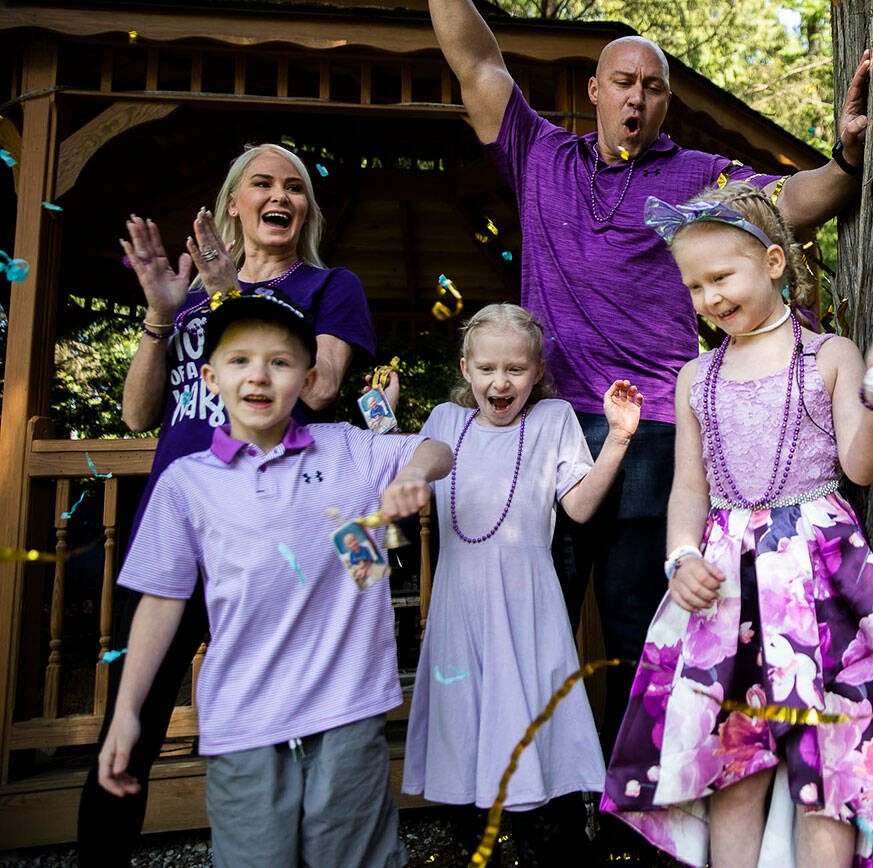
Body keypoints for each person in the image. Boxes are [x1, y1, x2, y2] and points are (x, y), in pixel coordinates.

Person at [426, 0, 873, 760]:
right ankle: (542, 804)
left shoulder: (696, 178)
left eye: (655, 87)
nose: (638, 97)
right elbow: (477, 62)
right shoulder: (541, 156)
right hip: (554, 429)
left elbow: (791, 204)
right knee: (542, 615)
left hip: (657, 434)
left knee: (641, 619)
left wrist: (846, 159)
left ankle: (633, 801)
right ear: (596, 91)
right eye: (624, 82)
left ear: (665, 102)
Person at [599, 182, 873, 867]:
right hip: (727, 587)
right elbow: (689, 487)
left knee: (832, 765)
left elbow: (862, 466)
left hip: (818, 582)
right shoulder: (695, 377)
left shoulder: (829, 355)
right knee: (734, 760)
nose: (707, 299)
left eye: (720, 277)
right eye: (693, 286)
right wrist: (679, 556)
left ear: (771, 262)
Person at [79, 143, 378, 863]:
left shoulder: (330, 286)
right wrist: (160, 317)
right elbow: (136, 413)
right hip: (177, 528)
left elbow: (322, 387)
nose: (281, 196)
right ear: (233, 203)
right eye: (263, 184)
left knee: (281, 720)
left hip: (270, 534)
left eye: (296, 187)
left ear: (306, 208)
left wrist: (230, 299)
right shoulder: (184, 293)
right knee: (134, 716)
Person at [96, 289, 453, 867]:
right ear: (210, 378)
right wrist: (128, 712)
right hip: (242, 722)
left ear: (308, 378)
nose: (259, 376)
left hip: (348, 713)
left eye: (280, 362)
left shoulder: (349, 450)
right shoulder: (186, 483)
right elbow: (161, 601)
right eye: (240, 361)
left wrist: (411, 469)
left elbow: (439, 450)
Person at [401, 303, 642, 863]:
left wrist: (619, 438)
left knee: (535, 708)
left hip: (528, 598)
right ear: (466, 370)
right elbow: (403, 478)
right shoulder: (442, 421)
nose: (500, 381)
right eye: (487, 369)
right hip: (461, 600)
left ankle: (554, 840)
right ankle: (476, 837)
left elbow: (579, 508)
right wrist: (386, 423)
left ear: (536, 374)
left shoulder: (552, 419)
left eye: (515, 369)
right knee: (467, 709)